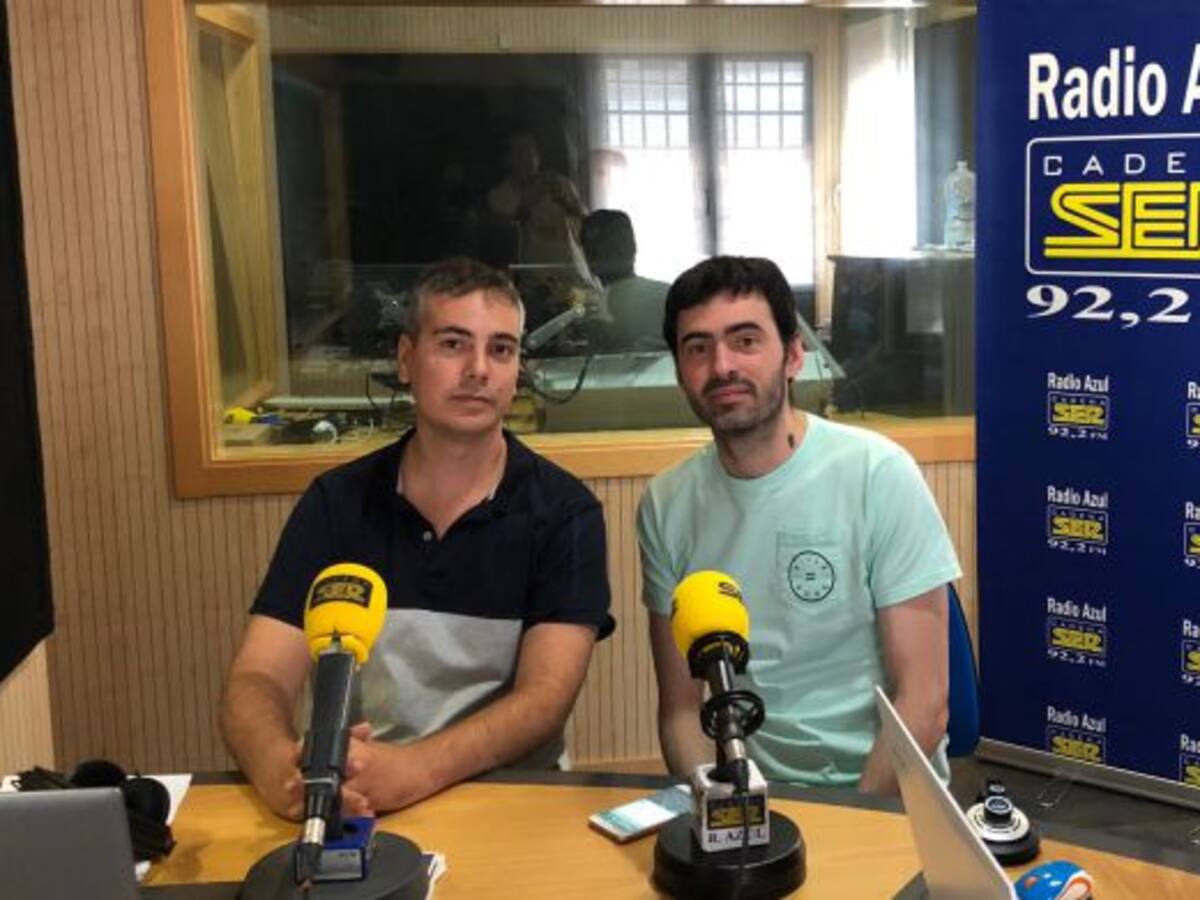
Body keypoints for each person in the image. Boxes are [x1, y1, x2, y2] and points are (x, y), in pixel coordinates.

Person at [220, 257, 612, 819]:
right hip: (356, 797)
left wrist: (415, 770)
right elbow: (256, 678)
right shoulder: (336, 503)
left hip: (511, 800)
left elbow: (545, 701)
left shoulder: (565, 513)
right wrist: (282, 771)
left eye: (501, 349)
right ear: (406, 359)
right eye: (453, 344)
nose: (478, 369)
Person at [638, 256, 960, 794]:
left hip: (881, 796)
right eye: (698, 348)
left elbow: (924, 704)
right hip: (752, 796)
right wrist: (718, 809)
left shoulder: (878, 474)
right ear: (679, 371)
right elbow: (680, 712)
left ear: (792, 355)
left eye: (745, 341)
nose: (722, 366)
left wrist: (847, 824)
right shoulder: (666, 503)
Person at [579, 209, 669, 352]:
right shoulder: (667, 293)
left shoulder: (607, 304)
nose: (596, 253)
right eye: (591, 247)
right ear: (634, 248)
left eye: (607, 246)